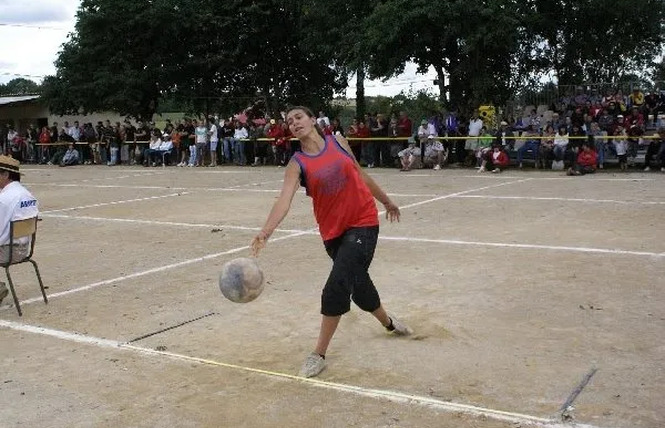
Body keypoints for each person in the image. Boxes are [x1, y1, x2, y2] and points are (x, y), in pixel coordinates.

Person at [251, 106, 412, 379]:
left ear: (313, 120)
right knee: (358, 286)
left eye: (298, 117)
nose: (293, 123)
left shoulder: (338, 142)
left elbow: (360, 174)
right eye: (289, 122)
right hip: (332, 234)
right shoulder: (296, 164)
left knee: (337, 285)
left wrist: (386, 201)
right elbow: (283, 201)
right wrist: (265, 232)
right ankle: (389, 323)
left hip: (363, 222)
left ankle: (318, 354)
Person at [0, 156, 39, 304]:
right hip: (24, 249)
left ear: (5, 175)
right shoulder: (28, 195)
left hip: (6, 252)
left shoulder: (4, 199)